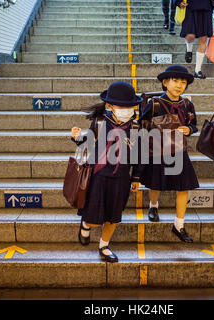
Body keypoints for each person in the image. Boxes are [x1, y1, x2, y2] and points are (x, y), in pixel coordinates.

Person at [70, 81, 143, 262]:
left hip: (121, 179)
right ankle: (86, 224)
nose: (126, 109)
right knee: (94, 218)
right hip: (98, 176)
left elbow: (138, 156)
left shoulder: (135, 128)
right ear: (110, 105)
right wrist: (76, 137)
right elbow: (87, 144)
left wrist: (136, 178)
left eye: (129, 106)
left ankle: (104, 246)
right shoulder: (101, 122)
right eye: (121, 105)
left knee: (113, 217)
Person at [139, 65, 199, 242]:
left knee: (184, 186)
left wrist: (188, 129)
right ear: (165, 82)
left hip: (179, 149)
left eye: (183, 82)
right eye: (175, 81)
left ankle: (179, 224)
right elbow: (143, 124)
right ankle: (153, 205)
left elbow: (194, 124)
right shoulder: (155, 103)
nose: (179, 85)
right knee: (156, 182)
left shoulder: (187, 104)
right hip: (158, 150)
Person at [175, 0, 214, 78]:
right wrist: (178, 2)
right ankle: (189, 49)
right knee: (190, 36)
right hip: (189, 8)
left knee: (203, 40)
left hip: (206, 10)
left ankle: (197, 70)